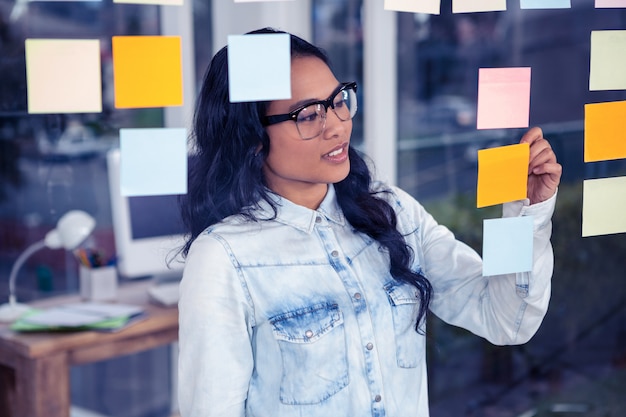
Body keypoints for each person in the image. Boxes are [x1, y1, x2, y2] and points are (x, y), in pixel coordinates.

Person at [177, 28, 562, 417]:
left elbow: (505, 319)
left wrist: (526, 212)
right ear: (253, 138)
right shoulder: (223, 258)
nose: (337, 125)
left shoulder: (392, 211)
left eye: (338, 101)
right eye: (309, 114)